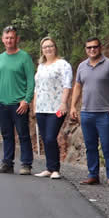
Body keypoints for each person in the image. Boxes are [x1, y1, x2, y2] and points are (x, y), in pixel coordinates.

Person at [69, 36, 109, 186]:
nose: (92, 50)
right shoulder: (82, 66)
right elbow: (78, 86)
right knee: (90, 146)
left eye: (95, 47)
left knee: (107, 146)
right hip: (86, 112)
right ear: (86, 50)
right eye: (89, 48)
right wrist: (73, 106)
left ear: (100, 48)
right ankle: (93, 175)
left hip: (105, 113)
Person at [0, 25, 35, 175]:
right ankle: (7, 164)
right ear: (3, 40)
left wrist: (27, 100)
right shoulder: (0, 58)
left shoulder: (24, 57)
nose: (9, 40)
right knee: (7, 135)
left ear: (17, 39)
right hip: (2, 104)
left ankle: (26, 164)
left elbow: (31, 80)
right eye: (7, 37)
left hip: (19, 104)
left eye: (12, 37)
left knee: (23, 135)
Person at [33, 36, 73, 179]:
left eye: (50, 46)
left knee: (50, 137)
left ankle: (55, 169)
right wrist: (34, 105)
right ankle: (49, 168)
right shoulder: (41, 66)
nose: (48, 49)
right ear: (42, 50)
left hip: (56, 108)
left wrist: (63, 103)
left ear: (55, 47)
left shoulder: (63, 64)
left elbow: (67, 85)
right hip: (41, 108)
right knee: (45, 138)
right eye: (45, 47)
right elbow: (37, 87)